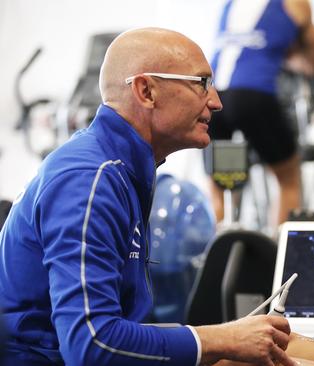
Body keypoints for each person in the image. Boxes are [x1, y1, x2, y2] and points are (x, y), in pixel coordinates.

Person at [0, 28, 295, 366]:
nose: (216, 101)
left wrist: (223, 344)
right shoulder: (89, 180)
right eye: (201, 83)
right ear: (146, 91)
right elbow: (91, 347)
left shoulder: (122, 170)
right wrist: (220, 339)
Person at [207, 0, 314, 226]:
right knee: (289, 178)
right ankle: (278, 251)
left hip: (213, 93)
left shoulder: (231, 3)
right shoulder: (296, 3)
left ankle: (215, 252)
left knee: (221, 184)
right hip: (253, 95)